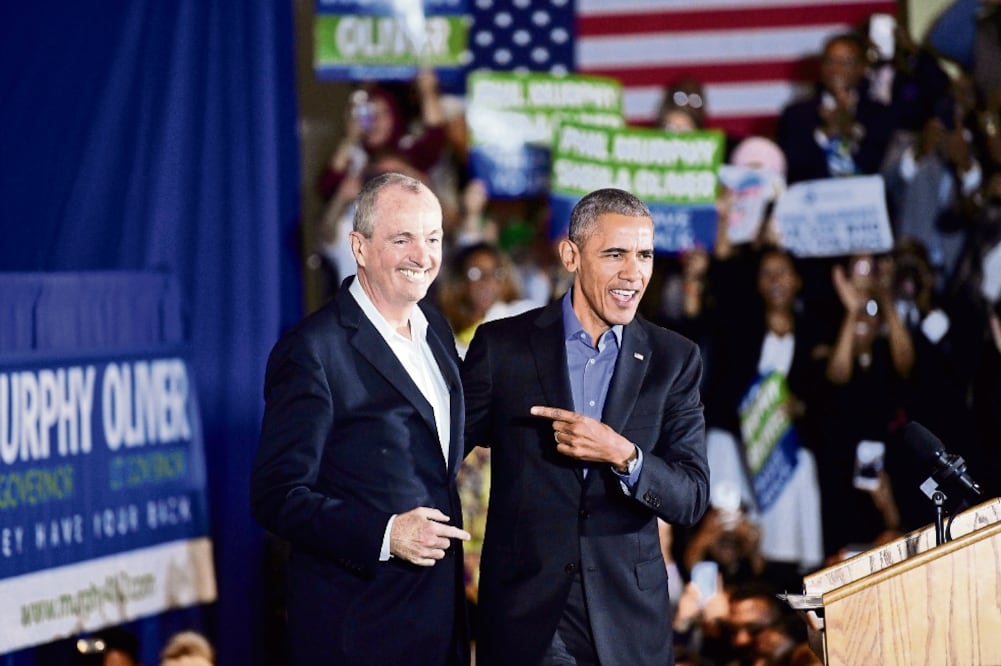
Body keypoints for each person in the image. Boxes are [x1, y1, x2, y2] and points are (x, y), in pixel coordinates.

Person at [462, 187, 711, 665]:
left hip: (627, 620)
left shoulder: (674, 361)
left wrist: (623, 455)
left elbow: (691, 497)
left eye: (644, 255)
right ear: (571, 255)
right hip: (527, 615)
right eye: (615, 254)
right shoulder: (503, 348)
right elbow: (442, 454)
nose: (633, 273)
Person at [251, 172, 472, 665]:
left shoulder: (434, 325)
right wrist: (386, 534)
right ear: (359, 246)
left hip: (438, 624)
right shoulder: (312, 351)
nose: (423, 255)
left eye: (432, 238)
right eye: (402, 239)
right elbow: (276, 495)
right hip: (357, 631)